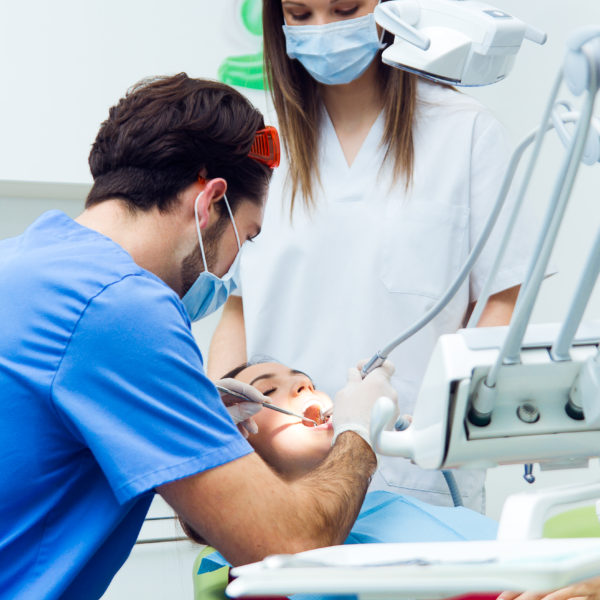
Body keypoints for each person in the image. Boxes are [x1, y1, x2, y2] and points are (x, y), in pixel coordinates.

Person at [0, 73, 398, 600]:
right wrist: (359, 431)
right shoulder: (121, 305)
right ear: (211, 202)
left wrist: (186, 413)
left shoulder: (23, 260)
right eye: (247, 237)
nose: (235, 265)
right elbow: (293, 543)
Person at [208, 0, 540, 512]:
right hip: (282, 486)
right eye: (299, 15)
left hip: (418, 473)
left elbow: (501, 303)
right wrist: (224, 452)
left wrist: (438, 424)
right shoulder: (261, 146)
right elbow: (237, 304)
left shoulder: (465, 133)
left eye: (345, 9)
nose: (323, 31)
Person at [186, 359, 497, 599]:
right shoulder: (254, 562)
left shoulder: (393, 509)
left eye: (308, 383)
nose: (303, 387)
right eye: (267, 392)